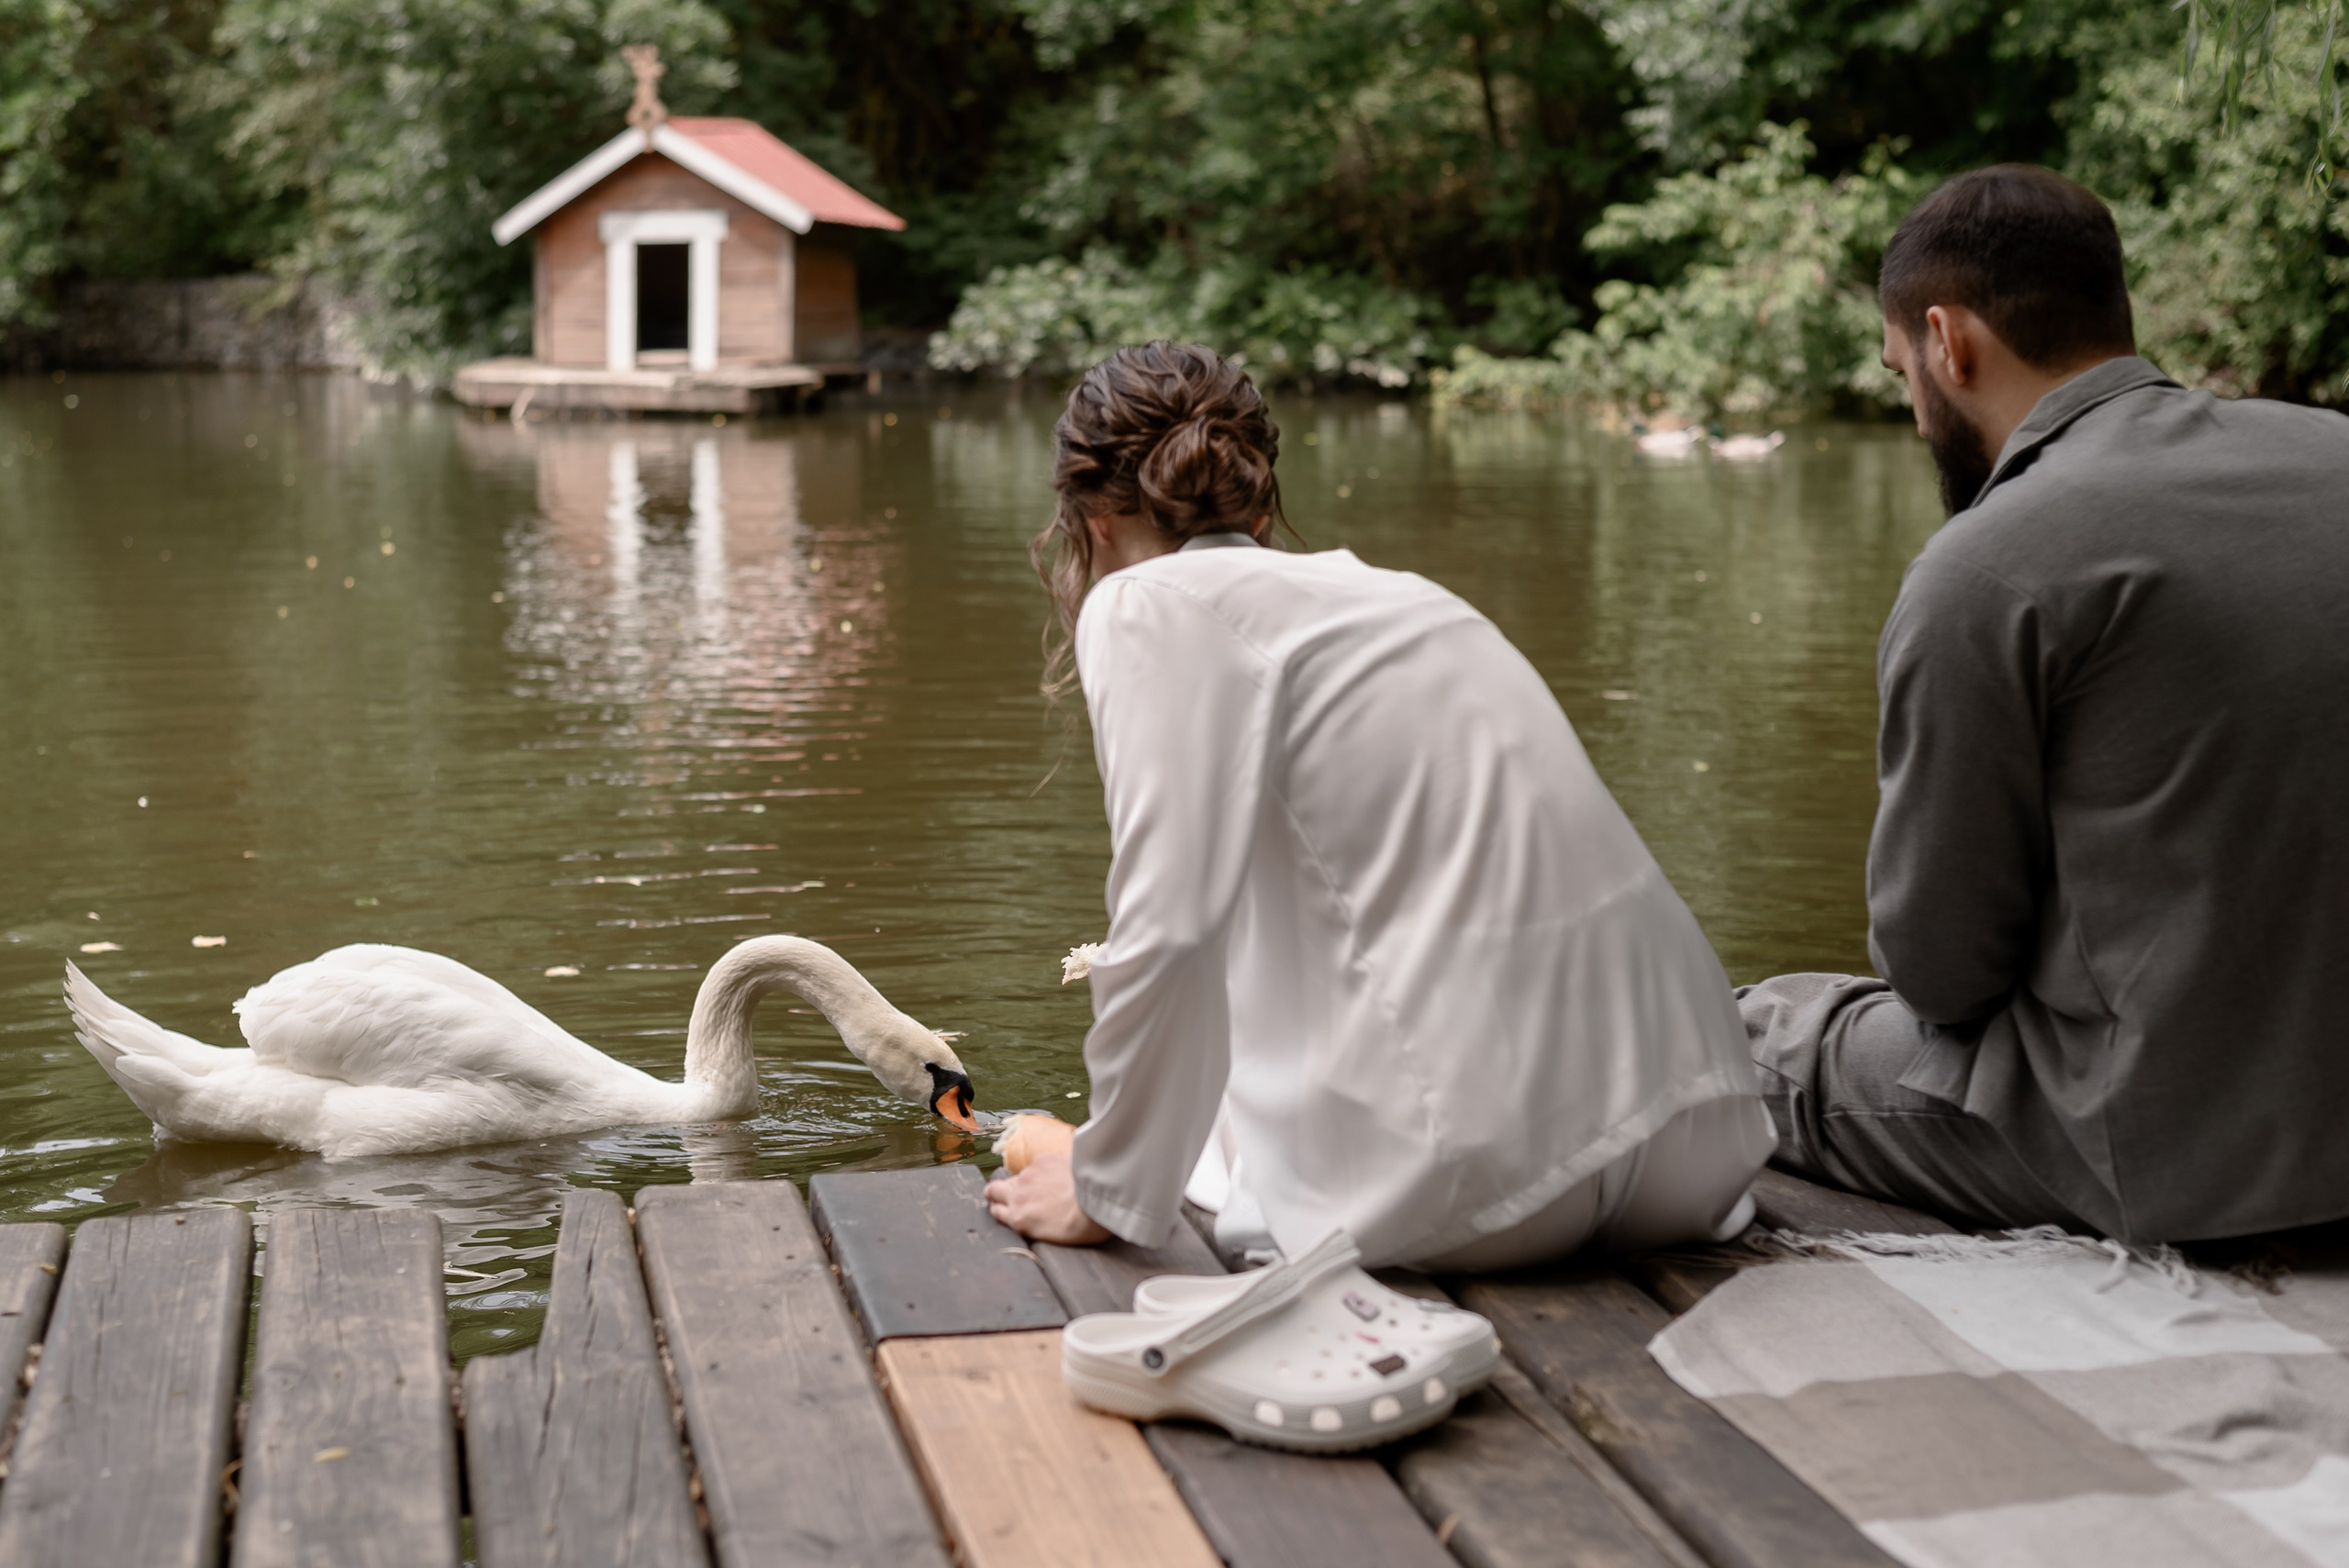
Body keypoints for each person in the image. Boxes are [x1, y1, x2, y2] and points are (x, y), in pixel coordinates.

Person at [985, 340, 1772, 1270]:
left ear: (1090, 517)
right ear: (1258, 501)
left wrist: (1109, 1185)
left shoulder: (1143, 600)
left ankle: (1103, 1154)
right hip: (1694, 1140)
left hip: (1486, 1182)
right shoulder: (1399, 595)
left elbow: (1171, 926)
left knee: (1218, 1127)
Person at [1740, 166, 2349, 1244]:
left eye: (1900, 373)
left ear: (1947, 341)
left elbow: (1939, 975)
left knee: (1749, 1035)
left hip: (2163, 1155)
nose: (1913, 411)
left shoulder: (1987, 566)